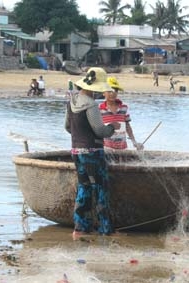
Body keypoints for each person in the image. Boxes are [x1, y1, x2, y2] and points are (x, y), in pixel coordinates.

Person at [64, 67, 121, 239]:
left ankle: (80, 227)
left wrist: (80, 136)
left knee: (84, 187)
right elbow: (99, 131)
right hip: (93, 152)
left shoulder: (71, 102)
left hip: (76, 150)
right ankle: (105, 229)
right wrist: (113, 127)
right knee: (101, 188)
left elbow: (67, 127)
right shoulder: (91, 105)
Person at [99, 77, 144, 150]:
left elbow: (127, 126)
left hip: (122, 148)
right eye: (109, 90)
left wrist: (134, 142)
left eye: (115, 90)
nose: (112, 93)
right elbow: (97, 129)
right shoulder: (100, 109)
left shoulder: (124, 108)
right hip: (106, 148)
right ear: (103, 92)